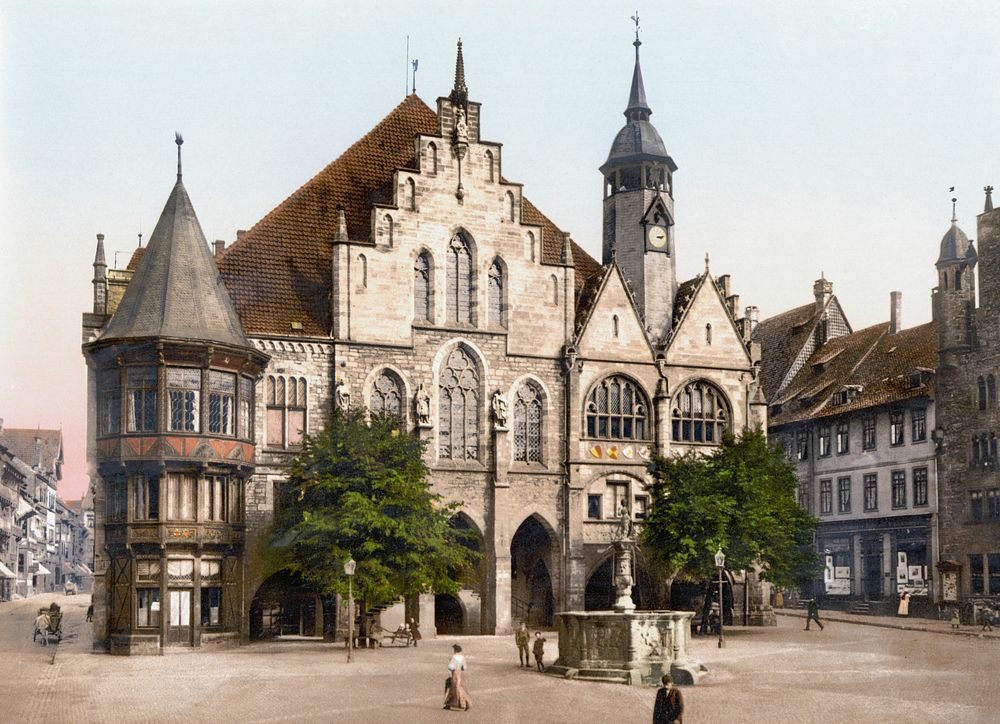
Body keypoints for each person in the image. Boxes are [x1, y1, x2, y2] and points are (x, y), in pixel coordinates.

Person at [443, 644, 471, 711]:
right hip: (461, 674)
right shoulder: (462, 657)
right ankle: (465, 703)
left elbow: (450, 667)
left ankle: (461, 704)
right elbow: (464, 667)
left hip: (455, 674)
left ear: (455, 650)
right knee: (460, 688)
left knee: (454, 689)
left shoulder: (453, 657)